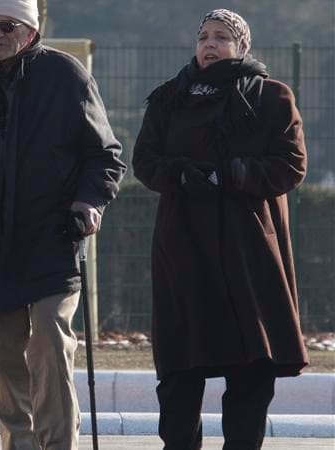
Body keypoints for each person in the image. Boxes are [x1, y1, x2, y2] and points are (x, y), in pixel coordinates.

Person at [0, 0, 126, 448]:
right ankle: (18, 444)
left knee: (49, 348)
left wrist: (88, 202)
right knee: (3, 358)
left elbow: (106, 155)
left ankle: (57, 444)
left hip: (53, 239)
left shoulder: (66, 75)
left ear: (30, 30)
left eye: (8, 25)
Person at [132, 9, 309, 450]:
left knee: (250, 370)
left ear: (242, 46)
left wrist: (231, 175)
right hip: (183, 249)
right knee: (179, 370)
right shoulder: (169, 98)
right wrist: (183, 175)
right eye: (204, 37)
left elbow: (291, 164)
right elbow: (146, 162)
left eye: (222, 37)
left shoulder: (270, 96)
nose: (210, 44)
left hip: (248, 253)